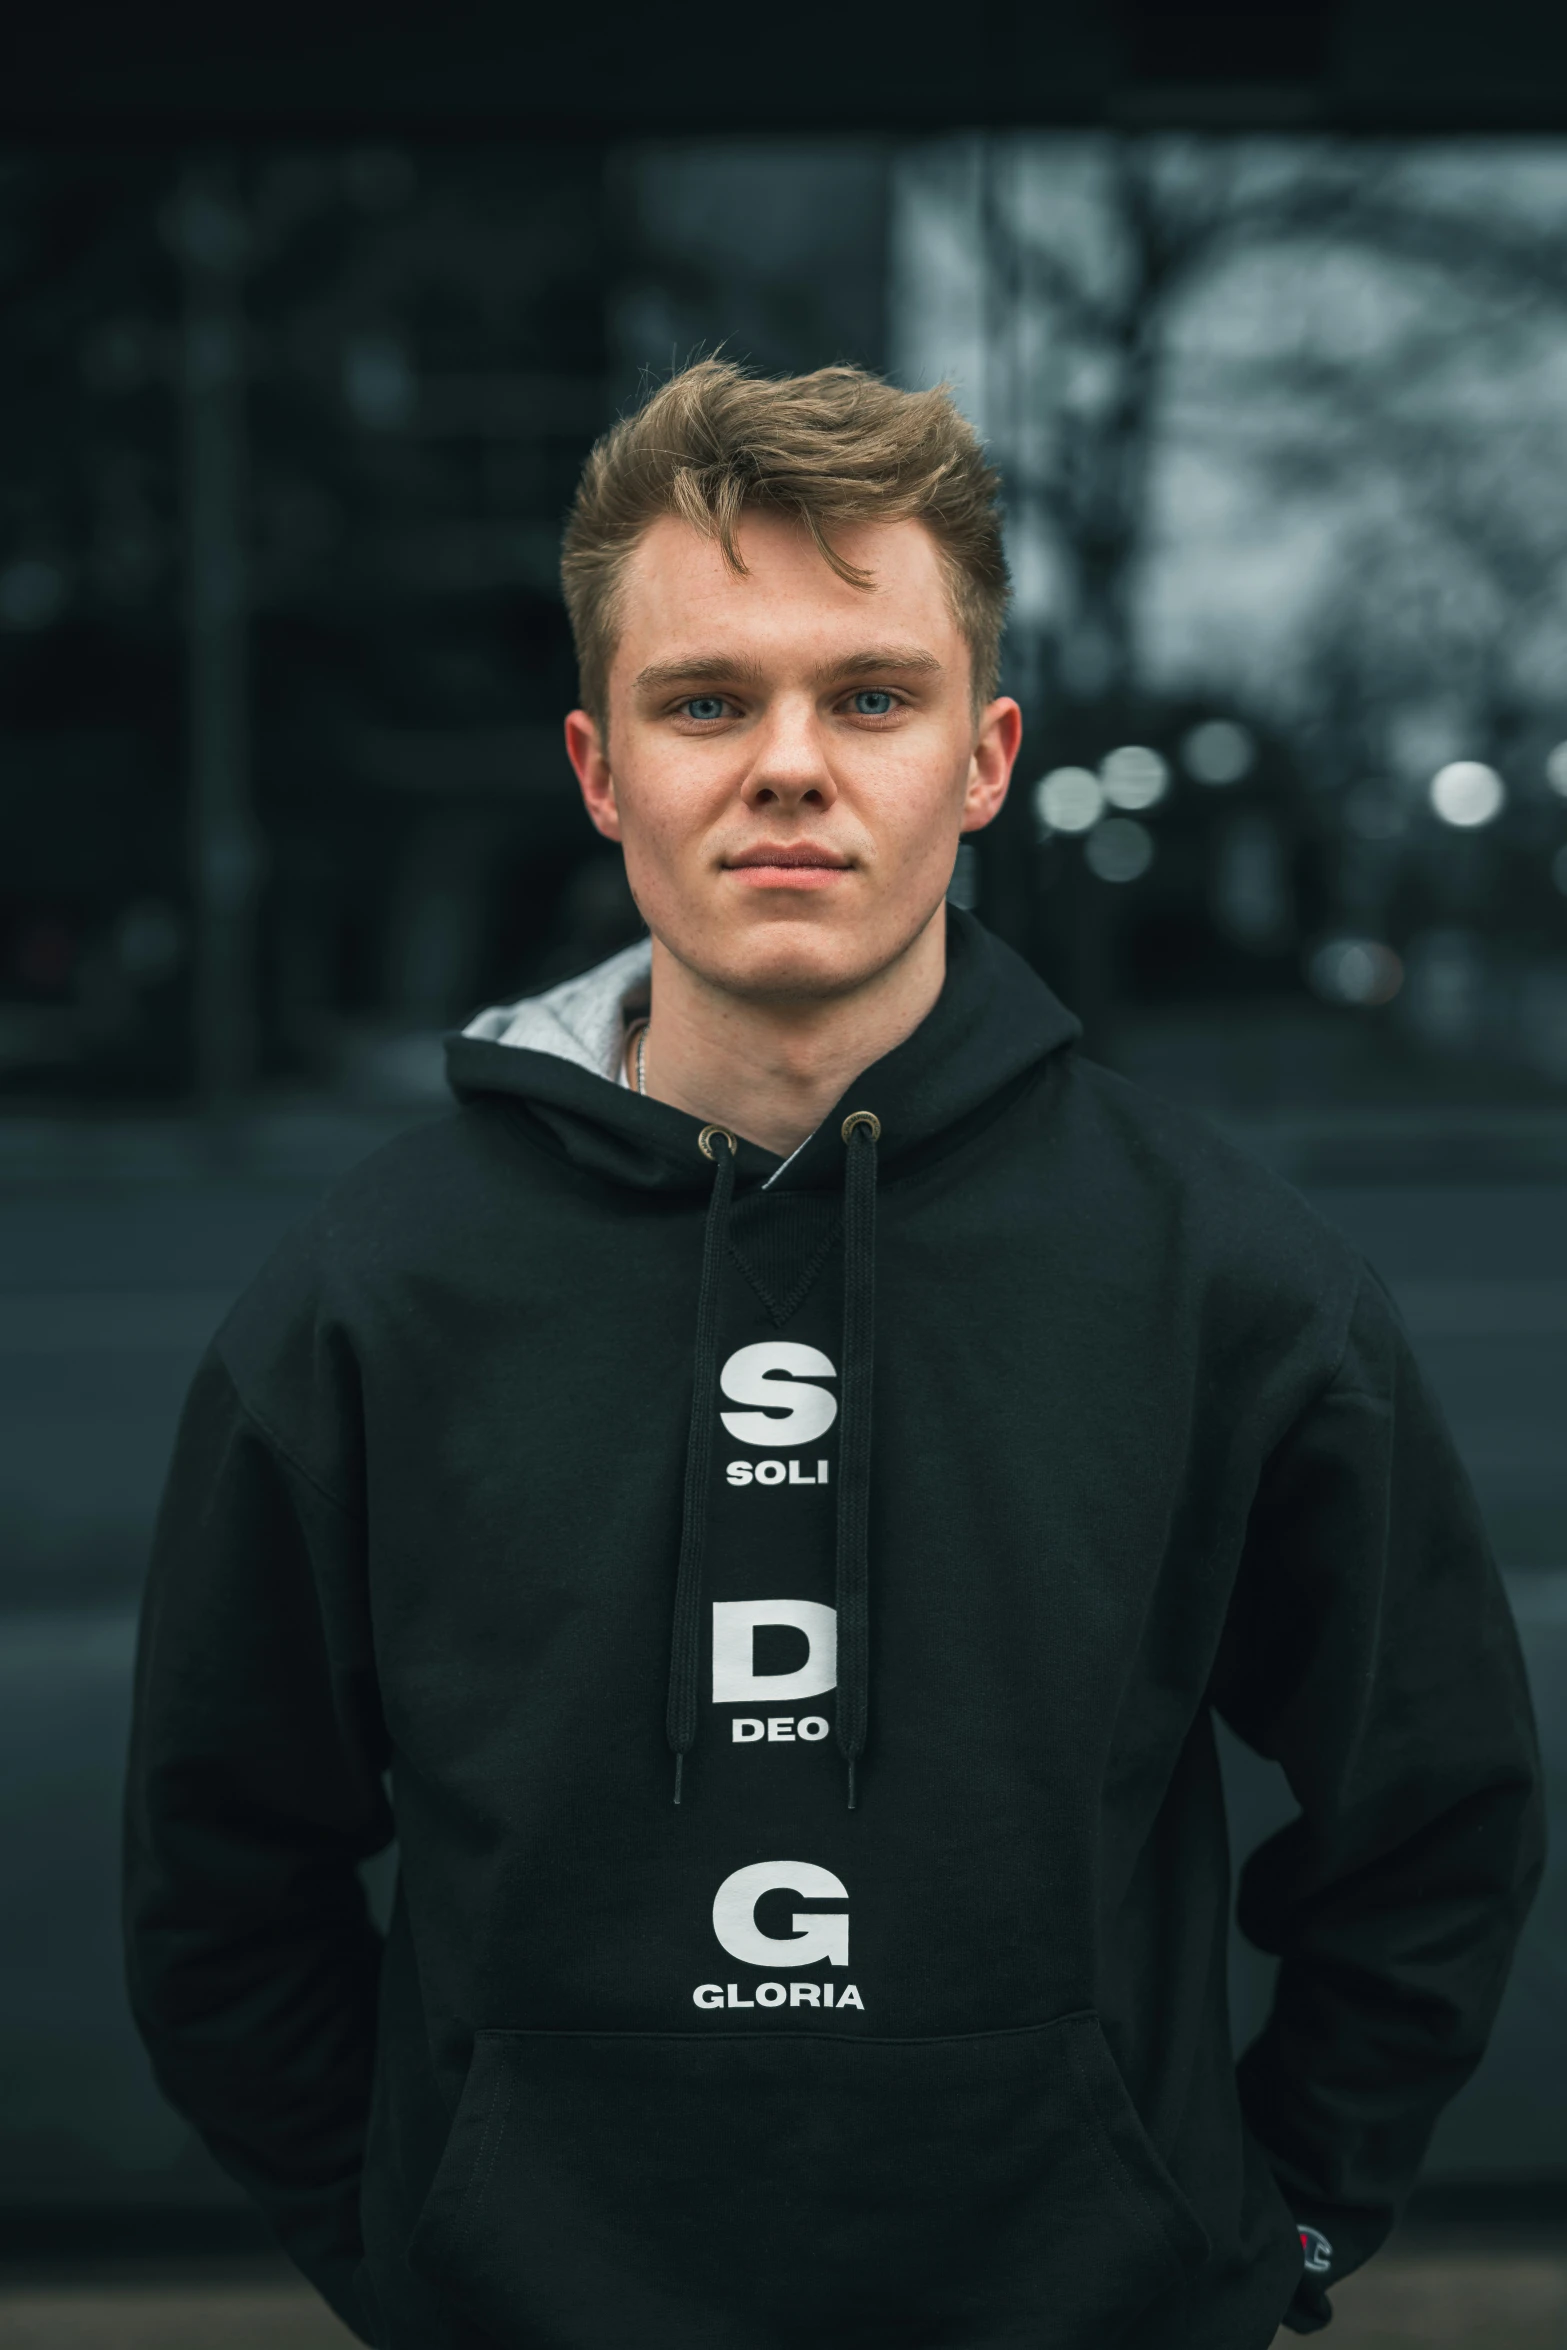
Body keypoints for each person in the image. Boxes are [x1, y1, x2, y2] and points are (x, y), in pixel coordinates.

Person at [124, 360, 1544, 2350]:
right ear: (601, 765)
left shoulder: (1229, 1273)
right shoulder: (367, 1294)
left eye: (870, 695)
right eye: (706, 699)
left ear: (982, 756)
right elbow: (221, 1866)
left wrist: (1276, 2225)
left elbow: (1434, 1812)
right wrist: (416, 2252)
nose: (789, 764)